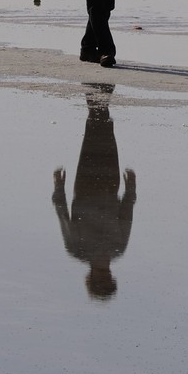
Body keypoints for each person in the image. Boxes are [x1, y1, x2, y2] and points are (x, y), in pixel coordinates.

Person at [52, 83, 135, 299]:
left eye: (101, 281)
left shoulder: (77, 250)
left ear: (91, 278)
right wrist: (131, 190)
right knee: (105, 129)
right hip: (109, 186)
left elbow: (63, 216)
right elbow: (126, 217)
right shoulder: (117, 248)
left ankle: (96, 89)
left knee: (94, 130)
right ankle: (101, 90)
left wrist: (59, 188)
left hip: (86, 185)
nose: (105, 277)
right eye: (107, 281)